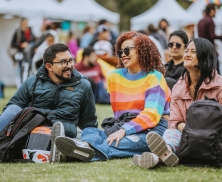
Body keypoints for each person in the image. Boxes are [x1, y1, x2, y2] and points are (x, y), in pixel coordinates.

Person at [52, 31, 171, 163]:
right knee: (91, 131)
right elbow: (119, 114)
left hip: (152, 130)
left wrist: (124, 131)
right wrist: (121, 130)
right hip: (123, 126)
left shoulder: (154, 77)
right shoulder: (114, 77)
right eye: (120, 52)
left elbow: (151, 115)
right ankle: (84, 146)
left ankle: (74, 153)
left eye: (127, 50)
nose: (123, 55)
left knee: (116, 143)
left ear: (142, 50)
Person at [0, 43, 98, 163]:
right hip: (32, 130)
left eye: (70, 60)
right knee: (13, 109)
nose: (69, 66)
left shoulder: (83, 86)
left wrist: (87, 142)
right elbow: (12, 110)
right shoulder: (31, 82)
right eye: (63, 62)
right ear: (49, 66)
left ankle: (70, 148)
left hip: (64, 133)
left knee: (91, 136)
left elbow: (89, 124)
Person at [136, 38, 222, 169]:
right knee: (170, 133)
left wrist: (201, 133)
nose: (187, 54)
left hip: (214, 137)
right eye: (187, 51)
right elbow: (174, 121)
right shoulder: (178, 87)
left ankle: (158, 157)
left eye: (193, 51)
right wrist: (190, 132)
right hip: (187, 135)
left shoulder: (219, 86)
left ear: (205, 56)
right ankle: (162, 154)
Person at [10, 18, 35, 87]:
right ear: (21, 24)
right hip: (20, 53)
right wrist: (21, 45)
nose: (26, 25)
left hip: (29, 54)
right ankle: (21, 85)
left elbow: (33, 40)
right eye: (24, 23)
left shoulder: (30, 31)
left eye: (27, 23)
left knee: (29, 69)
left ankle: (28, 84)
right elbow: (12, 43)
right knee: (21, 69)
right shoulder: (18, 32)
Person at [198, 3, 222, 74]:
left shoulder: (200, 21)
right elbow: (212, 36)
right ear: (211, 10)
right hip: (210, 49)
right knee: (215, 71)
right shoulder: (210, 21)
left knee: (205, 72)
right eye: (215, 10)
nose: (216, 12)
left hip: (202, 49)